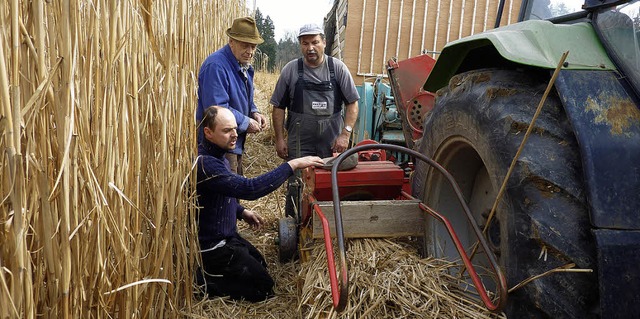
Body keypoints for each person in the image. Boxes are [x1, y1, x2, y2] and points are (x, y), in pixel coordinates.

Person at [195, 106, 324, 302]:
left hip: (228, 236)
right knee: (263, 289)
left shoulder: (218, 157)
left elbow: (216, 196)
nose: (234, 135)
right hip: (213, 247)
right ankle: (204, 283)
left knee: (260, 265)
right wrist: (292, 165)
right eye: (226, 130)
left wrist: (241, 211)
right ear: (208, 133)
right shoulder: (206, 164)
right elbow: (250, 189)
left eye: (235, 129)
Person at [270, 23, 360, 160]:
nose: (310, 48)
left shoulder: (338, 69)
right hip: (299, 145)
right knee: (298, 180)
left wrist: (345, 134)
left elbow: (352, 104)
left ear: (324, 42)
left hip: (332, 144)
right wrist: (280, 139)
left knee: (329, 179)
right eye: (305, 43)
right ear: (300, 45)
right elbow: (278, 107)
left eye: (315, 42)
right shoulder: (290, 70)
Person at [196, 16, 268, 175]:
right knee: (227, 192)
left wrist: (254, 112)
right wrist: (246, 122)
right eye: (245, 46)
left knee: (235, 188)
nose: (250, 52)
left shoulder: (244, 66)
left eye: (253, 47)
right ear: (231, 42)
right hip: (219, 145)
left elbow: (244, 96)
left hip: (234, 142)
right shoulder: (216, 66)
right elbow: (217, 110)